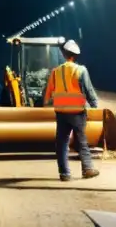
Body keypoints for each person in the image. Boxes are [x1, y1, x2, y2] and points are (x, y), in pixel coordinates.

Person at [43, 40, 101, 182]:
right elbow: (88, 90)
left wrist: (44, 104)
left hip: (61, 112)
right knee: (81, 140)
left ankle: (64, 173)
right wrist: (94, 106)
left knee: (62, 142)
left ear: (64, 54)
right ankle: (87, 169)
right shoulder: (81, 70)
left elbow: (48, 93)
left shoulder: (55, 71)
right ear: (75, 56)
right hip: (77, 112)